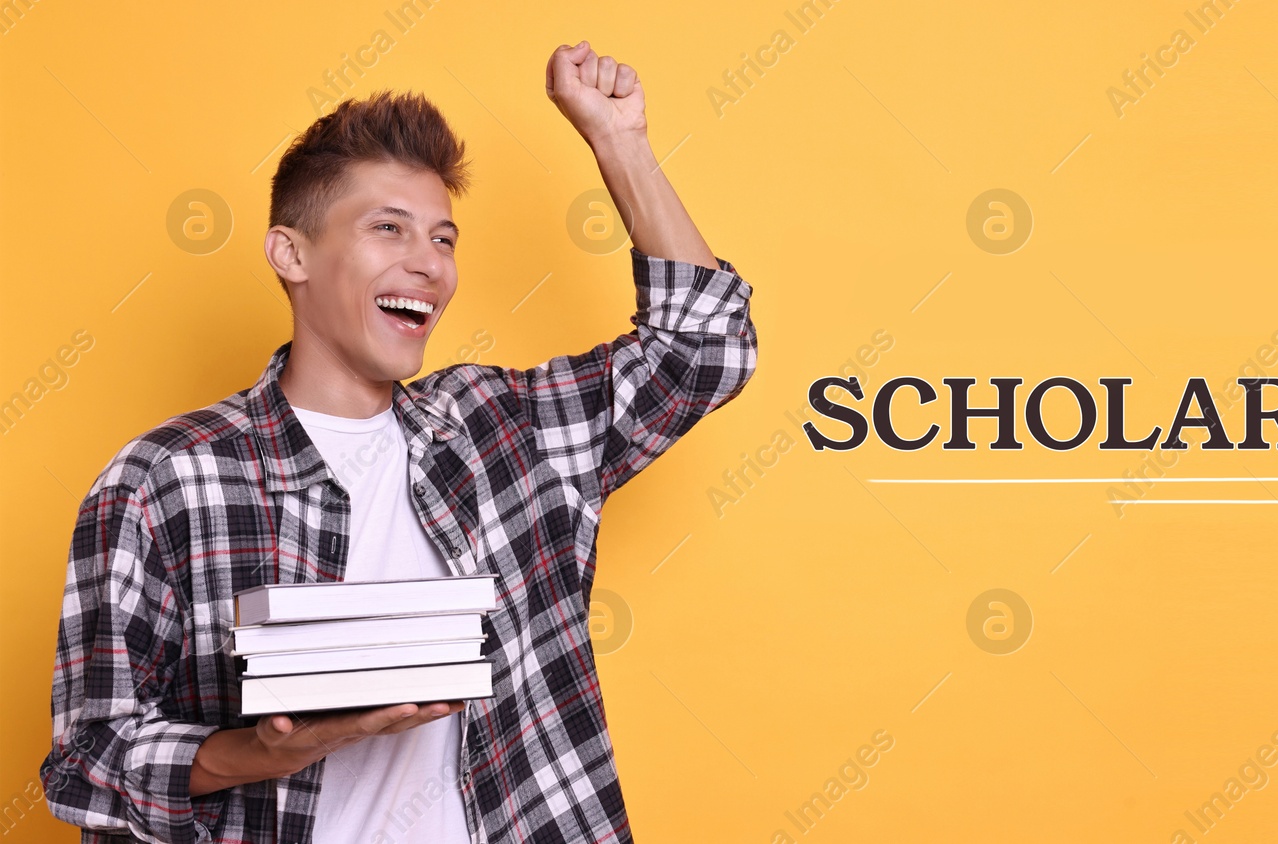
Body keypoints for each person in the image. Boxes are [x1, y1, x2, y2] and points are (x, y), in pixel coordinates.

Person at [41, 41, 756, 844]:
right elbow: (86, 763)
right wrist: (257, 753)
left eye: (444, 239)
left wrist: (619, 143)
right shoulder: (167, 480)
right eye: (390, 229)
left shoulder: (501, 431)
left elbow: (707, 345)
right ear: (292, 253)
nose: (428, 265)